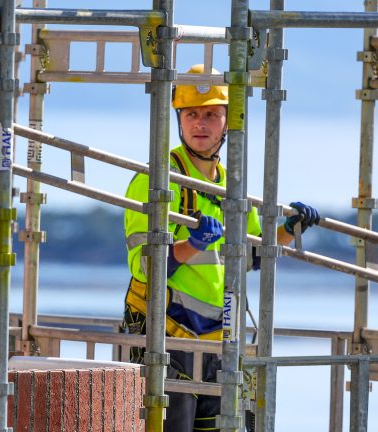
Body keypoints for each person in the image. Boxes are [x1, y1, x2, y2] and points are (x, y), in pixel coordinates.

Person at [121, 64, 320, 431]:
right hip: (166, 337)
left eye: (211, 114)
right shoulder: (158, 180)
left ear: (228, 121)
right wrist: (191, 245)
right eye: (191, 114)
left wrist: (289, 231)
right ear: (178, 119)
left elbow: (253, 255)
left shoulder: (232, 188)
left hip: (218, 341)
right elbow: (144, 266)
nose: (200, 124)